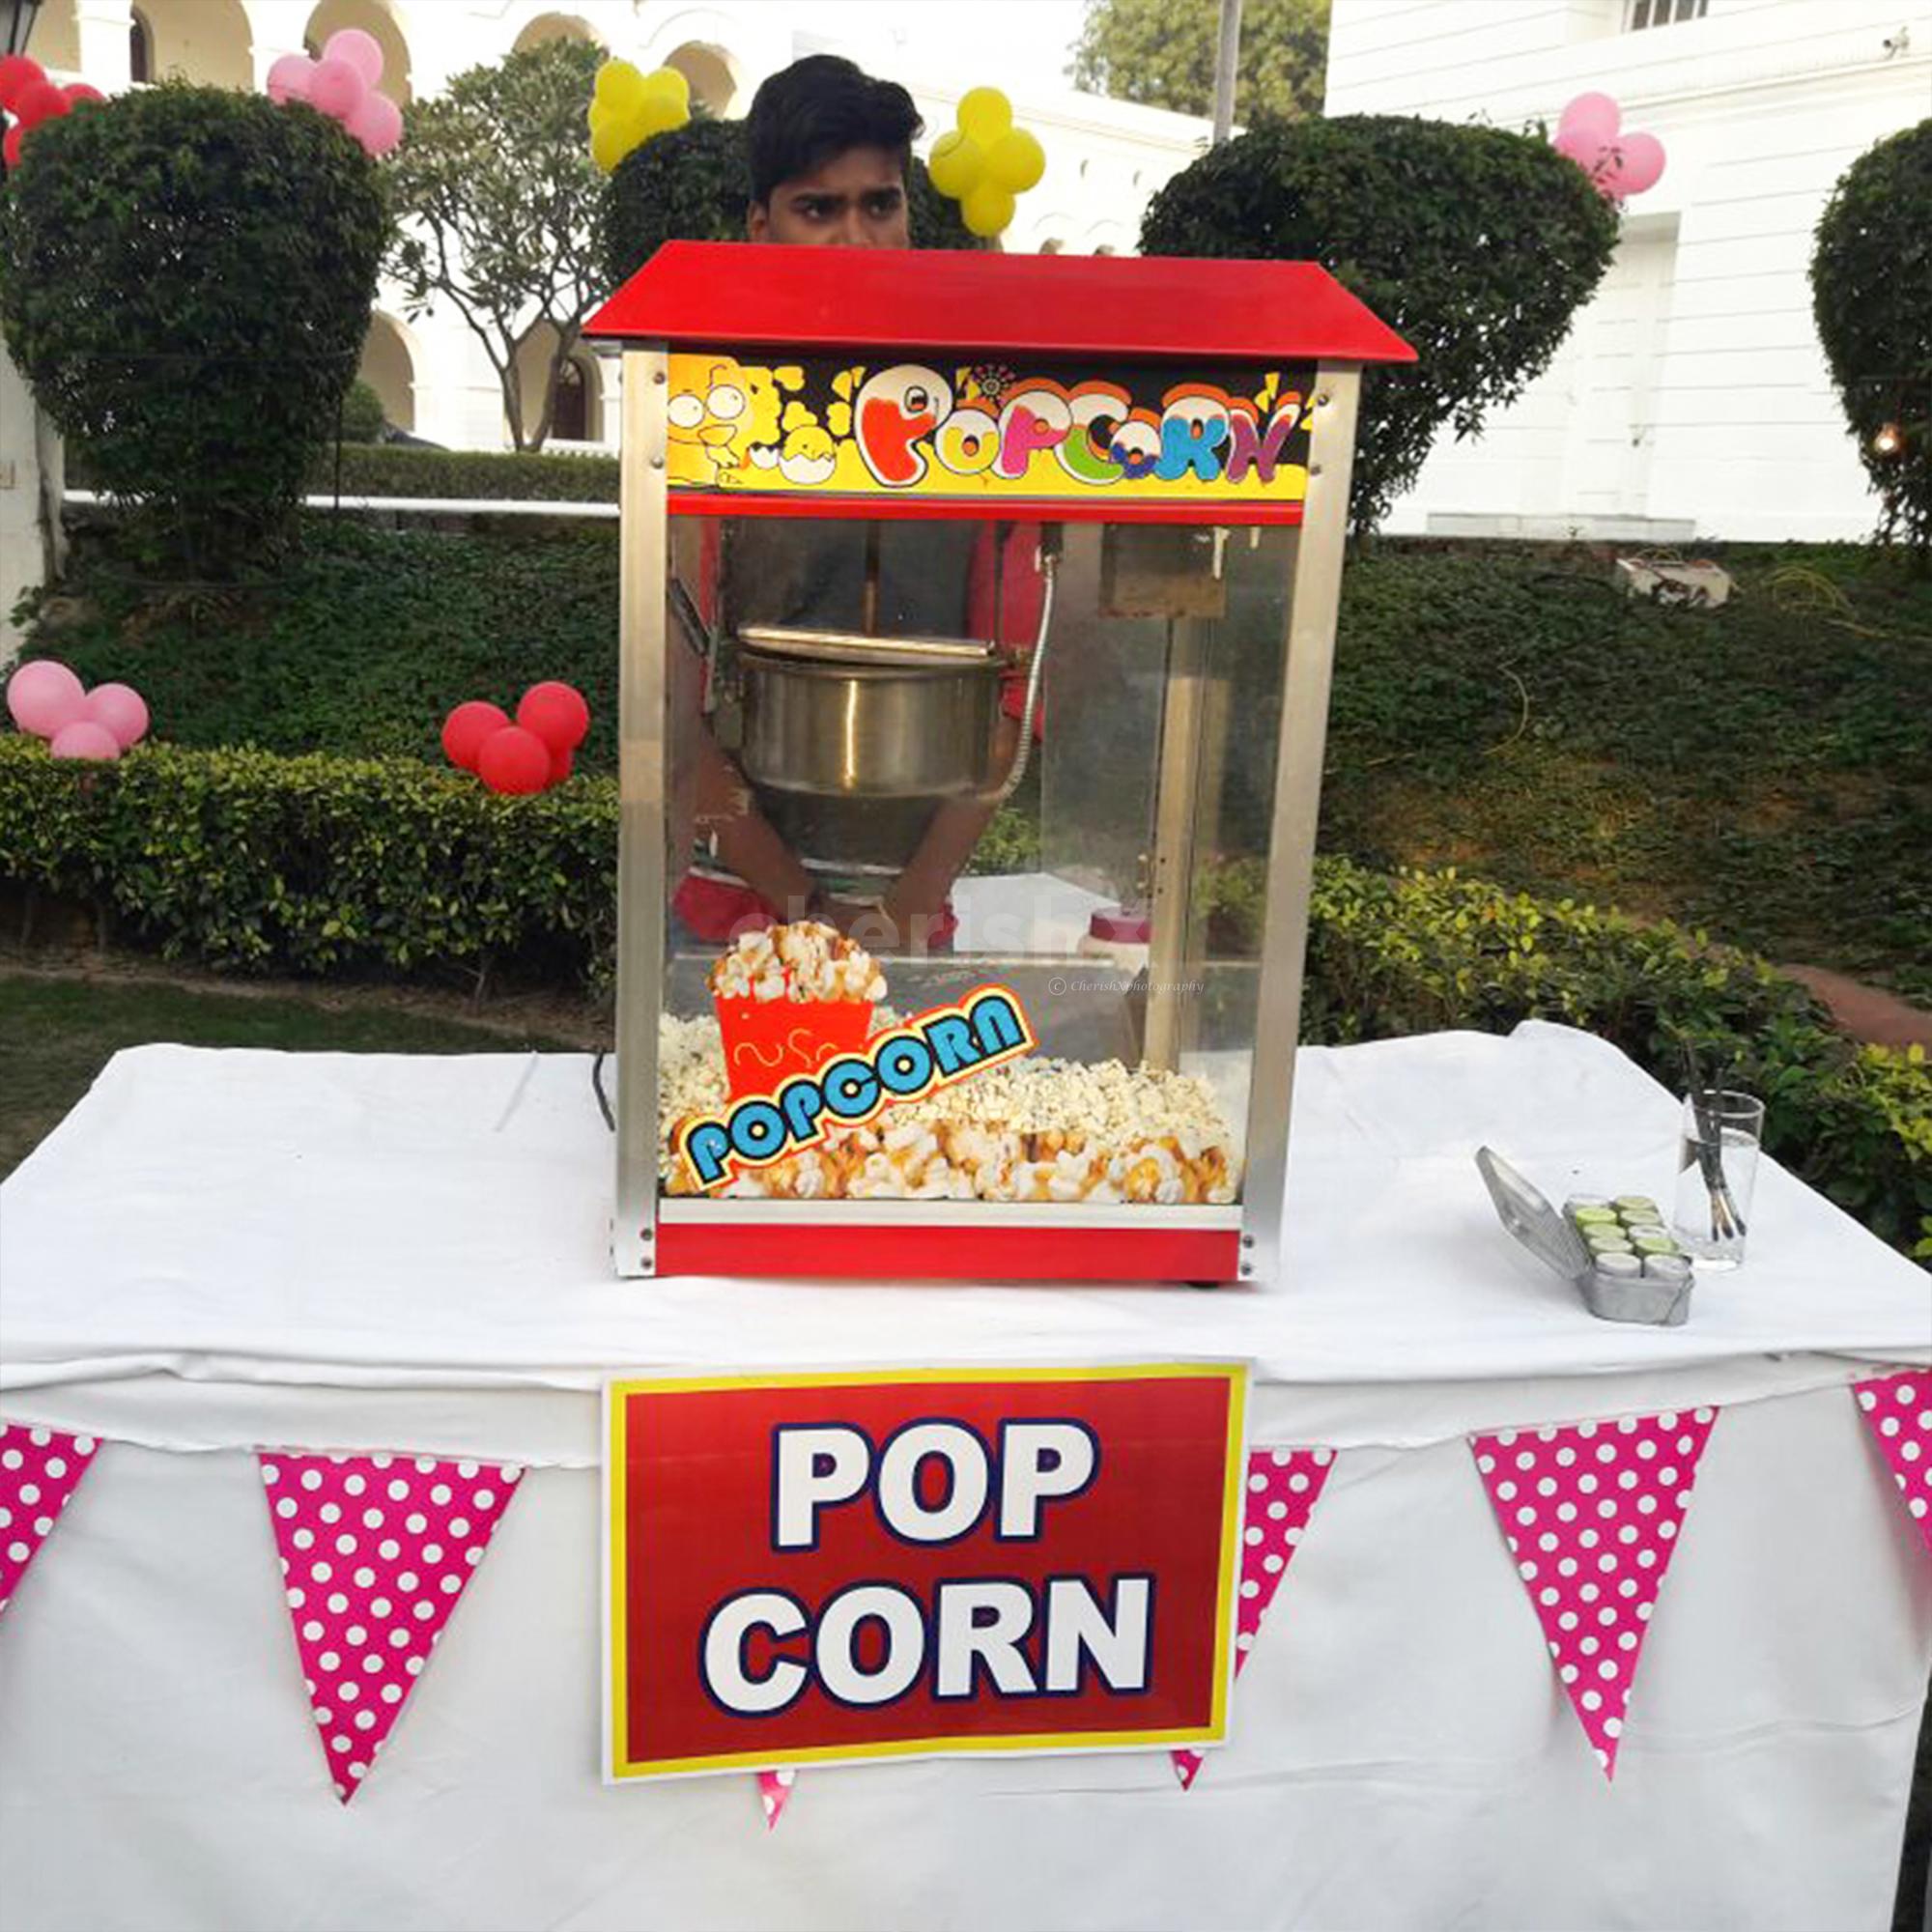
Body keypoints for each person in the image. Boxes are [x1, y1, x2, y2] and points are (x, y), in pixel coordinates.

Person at [669, 56, 1043, 955]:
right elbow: (670, 714)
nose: (856, 238)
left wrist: (902, 911)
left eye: (880, 205)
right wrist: (802, 907)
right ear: (761, 226)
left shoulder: (983, 430)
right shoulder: (705, 423)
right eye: (818, 209)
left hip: (911, 917)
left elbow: (1012, 709)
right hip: (732, 915)